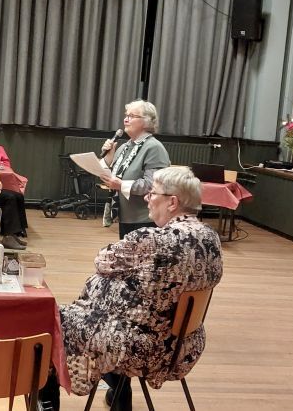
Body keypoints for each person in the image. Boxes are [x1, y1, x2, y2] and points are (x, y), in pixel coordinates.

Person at [58, 166, 222, 410]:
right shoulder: (210, 238)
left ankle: (46, 402)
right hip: (185, 345)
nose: (147, 198)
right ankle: (119, 395)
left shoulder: (151, 239)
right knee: (115, 307)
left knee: (56, 319)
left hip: (145, 349)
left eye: (152, 193)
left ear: (172, 202)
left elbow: (101, 260)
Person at [100, 100, 171, 237]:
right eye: (126, 115)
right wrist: (108, 158)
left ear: (146, 121)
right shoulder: (124, 147)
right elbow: (110, 178)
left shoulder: (154, 148)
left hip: (146, 219)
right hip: (126, 217)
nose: (126, 119)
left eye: (132, 116)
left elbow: (153, 185)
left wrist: (121, 185)